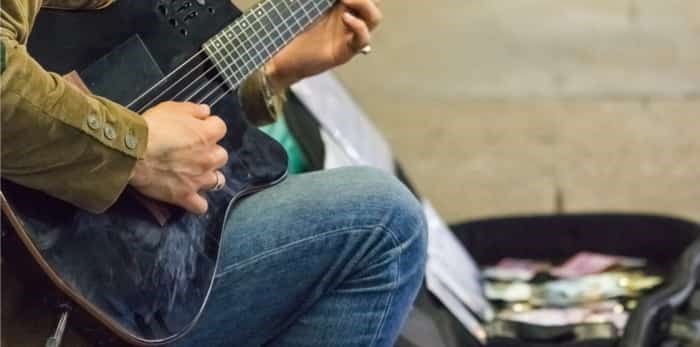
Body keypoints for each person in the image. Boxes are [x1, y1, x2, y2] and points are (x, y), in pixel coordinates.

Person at [1, 0, 427, 346]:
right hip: (24, 281)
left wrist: (275, 71)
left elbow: (130, 40)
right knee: (382, 226)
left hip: (84, 253)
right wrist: (138, 149)